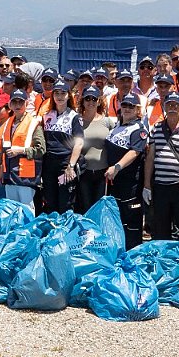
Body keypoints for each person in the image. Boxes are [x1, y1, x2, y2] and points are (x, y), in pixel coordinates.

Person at [143, 91, 179, 251]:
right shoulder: (156, 128)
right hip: (160, 185)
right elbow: (150, 158)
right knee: (160, 225)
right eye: (169, 105)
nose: (172, 108)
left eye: (176, 105)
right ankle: (163, 257)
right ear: (164, 107)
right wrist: (147, 185)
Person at [104, 94, 150, 250]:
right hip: (115, 182)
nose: (127, 109)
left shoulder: (139, 129)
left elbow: (134, 152)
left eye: (131, 106)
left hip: (130, 182)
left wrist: (117, 167)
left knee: (131, 221)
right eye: (125, 105)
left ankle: (133, 253)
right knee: (116, 219)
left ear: (138, 110)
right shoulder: (117, 126)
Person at [0, 89, 45, 207]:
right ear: (10, 105)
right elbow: (4, 149)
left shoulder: (33, 123)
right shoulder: (8, 122)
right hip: (9, 175)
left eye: (21, 102)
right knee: (11, 209)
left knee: (26, 210)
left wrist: (20, 151)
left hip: (25, 177)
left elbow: (41, 149)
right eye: (15, 102)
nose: (18, 105)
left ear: (26, 103)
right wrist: (2, 170)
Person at [40, 82, 84, 214]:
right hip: (48, 164)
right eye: (57, 93)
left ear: (68, 95)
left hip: (65, 164)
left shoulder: (74, 117)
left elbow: (79, 143)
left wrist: (71, 166)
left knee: (66, 203)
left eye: (63, 93)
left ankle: (66, 227)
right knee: (49, 202)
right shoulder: (47, 115)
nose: (59, 97)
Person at [74, 86, 116, 214]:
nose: (91, 102)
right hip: (84, 172)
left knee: (100, 208)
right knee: (86, 207)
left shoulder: (107, 122)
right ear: (82, 101)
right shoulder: (77, 121)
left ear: (99, 101)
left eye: (94, 99)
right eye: (87, 98)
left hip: (103, 173)